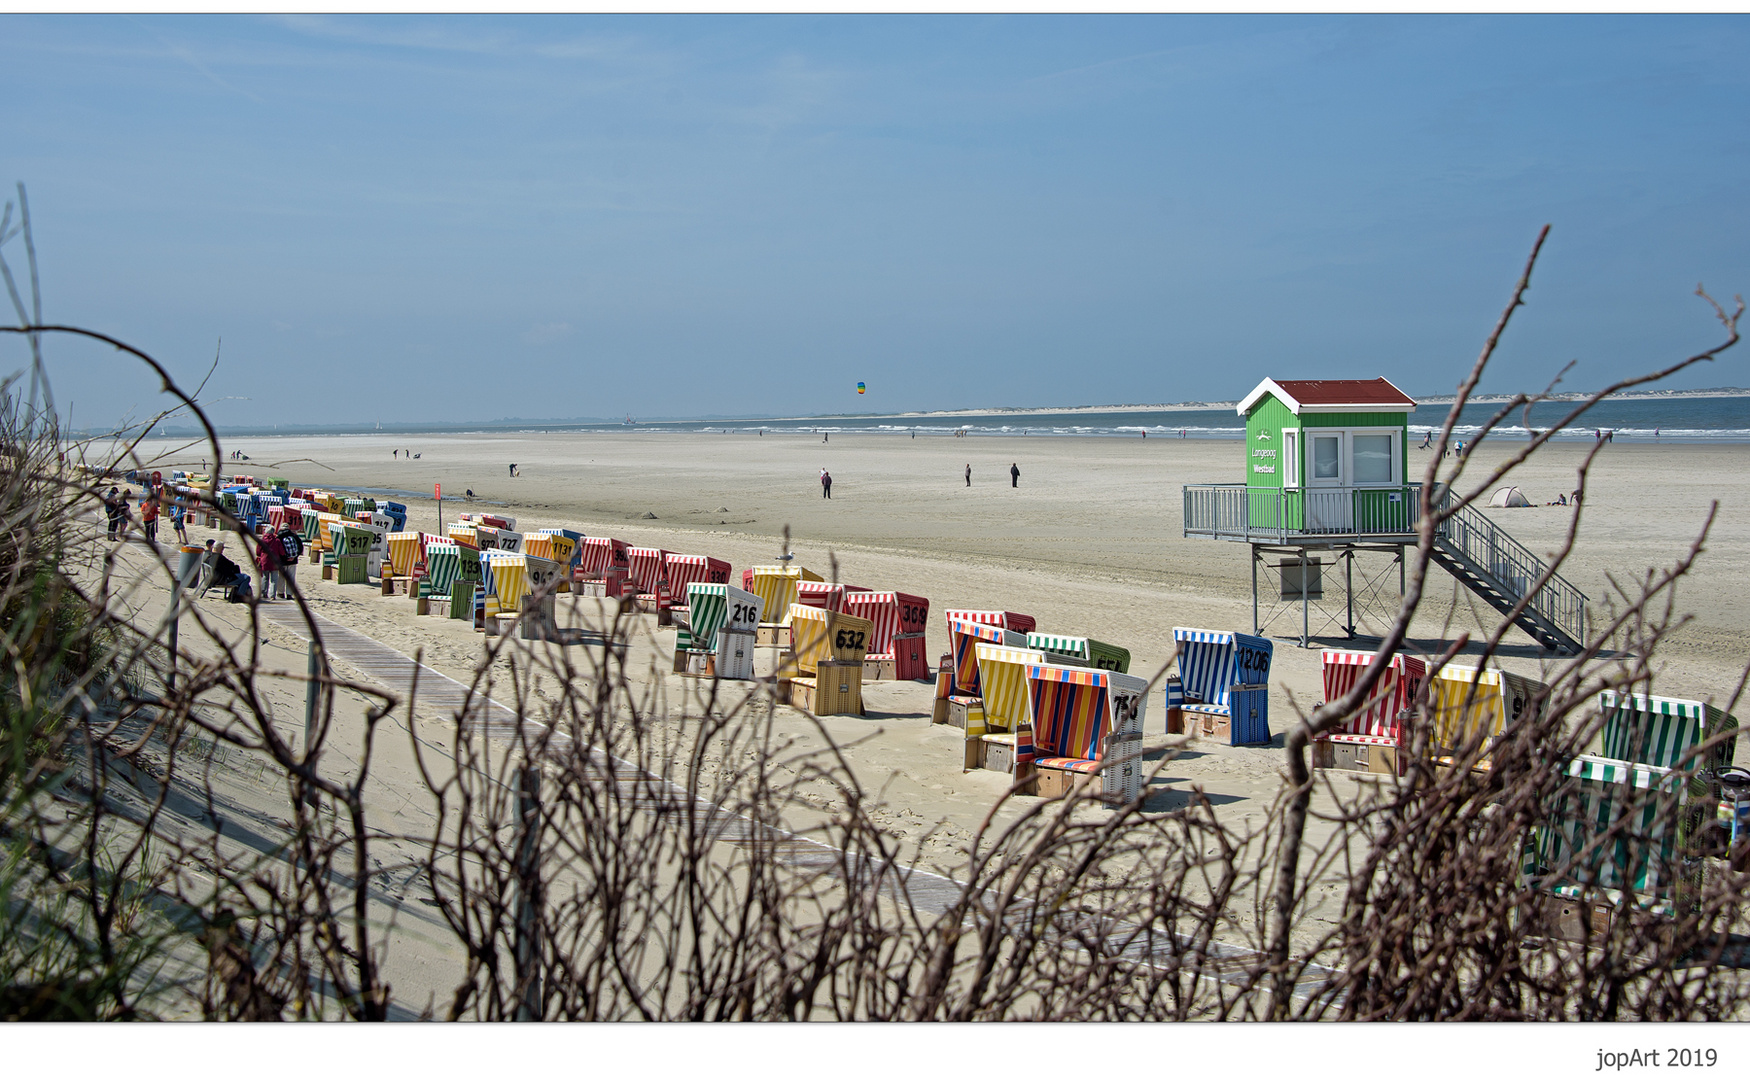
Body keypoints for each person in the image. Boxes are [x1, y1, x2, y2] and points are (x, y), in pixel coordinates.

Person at [255, 530, 285, 602]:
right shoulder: (277, 541)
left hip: (265, 561)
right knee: (274, 580)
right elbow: (282, 552)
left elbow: (258, 552)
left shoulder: (262, 541)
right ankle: (272, 595)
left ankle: (264, 593)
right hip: (274, 562)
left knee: (265, 578)